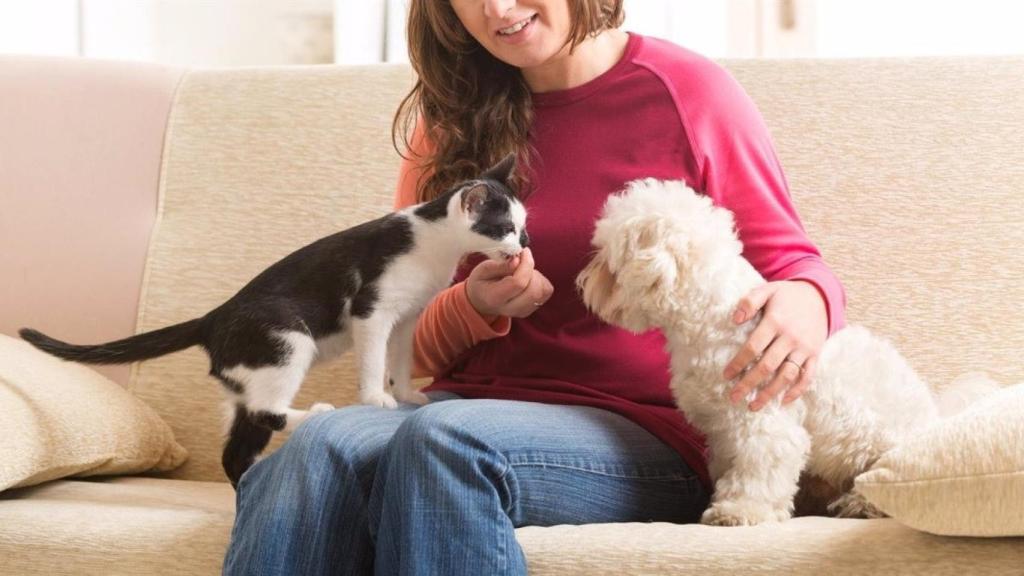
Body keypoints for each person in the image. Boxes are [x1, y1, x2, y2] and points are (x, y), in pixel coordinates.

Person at [222, 1, 846, 574]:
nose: (497, 9)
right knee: (318, 443)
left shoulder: (689, 94)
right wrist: (471, 306)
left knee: (446, 443)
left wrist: (810, 301)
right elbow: (399, 357)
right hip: (463, 406)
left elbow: (794, 265)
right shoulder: (449, 124)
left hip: (644, 427)